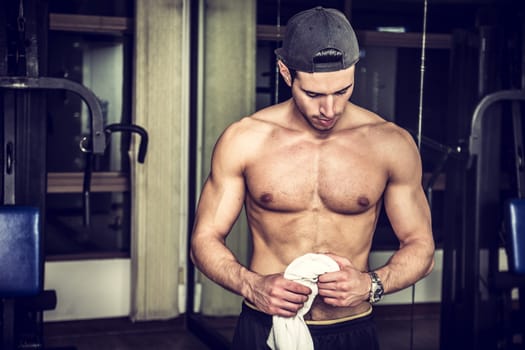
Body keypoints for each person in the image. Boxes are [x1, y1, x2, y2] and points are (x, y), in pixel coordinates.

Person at [190, 6, 435, 350]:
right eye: (315, 94)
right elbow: (204, 240)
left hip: (351, 327)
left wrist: (371, 284)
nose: (330, 109)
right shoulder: (245, 140)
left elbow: (421, 246)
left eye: (342, 91)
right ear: (286, 74)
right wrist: (252, 285)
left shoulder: (389, 143)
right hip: (265, 323)